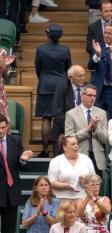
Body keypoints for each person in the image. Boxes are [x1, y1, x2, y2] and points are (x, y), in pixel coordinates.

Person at [35, 24, 71, 158]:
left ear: (48, 35)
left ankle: (44, 150)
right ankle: (61, 151)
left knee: (46, 118)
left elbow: (38, 69)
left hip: (45, 86)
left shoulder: (40, 49)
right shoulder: (65, 50)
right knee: (62, 117)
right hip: (62, 86)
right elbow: (69, 69)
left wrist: (44, 79)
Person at [0, 114, 33, 233]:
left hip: (11, 193)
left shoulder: (15, 141)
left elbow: (22, 166)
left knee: (9, 232)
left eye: (2, 127)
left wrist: (23, 159)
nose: (0, 131)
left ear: (7, 126)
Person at [64, 84, 108, 174]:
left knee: (97, 187)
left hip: (97, 158)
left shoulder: (102, 113)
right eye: (90, 95)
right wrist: (87, 130)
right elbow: (68, 139)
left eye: (94, 96)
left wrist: (95, 128)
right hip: (79, 156)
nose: (92, 98)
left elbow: (105, 139)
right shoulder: (71, 114)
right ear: (82, 96)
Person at [50, 65, 87, 156]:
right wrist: (71, 126)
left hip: (84, 129)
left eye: (83, 75)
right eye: (79, 76)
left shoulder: (88, 87)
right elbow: (57, 112)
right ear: (71, 77)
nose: (82, 78)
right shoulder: (62, 87)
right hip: (63, 129)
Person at [47, 136, 95, 201]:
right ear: (64, 147)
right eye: (73, 144)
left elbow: (93, 179)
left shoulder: (86, 159)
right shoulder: (56, 161)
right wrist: (66, 186)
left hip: (83, 199)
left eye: (77, 144)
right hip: (62, 200)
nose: (76, 146)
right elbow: (51, 182)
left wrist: (85, 182)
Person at [0, 49, 15, 121]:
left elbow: (5, 76)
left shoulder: (2, 52)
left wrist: (5, 66)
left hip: (0, 93)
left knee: (2, 119)